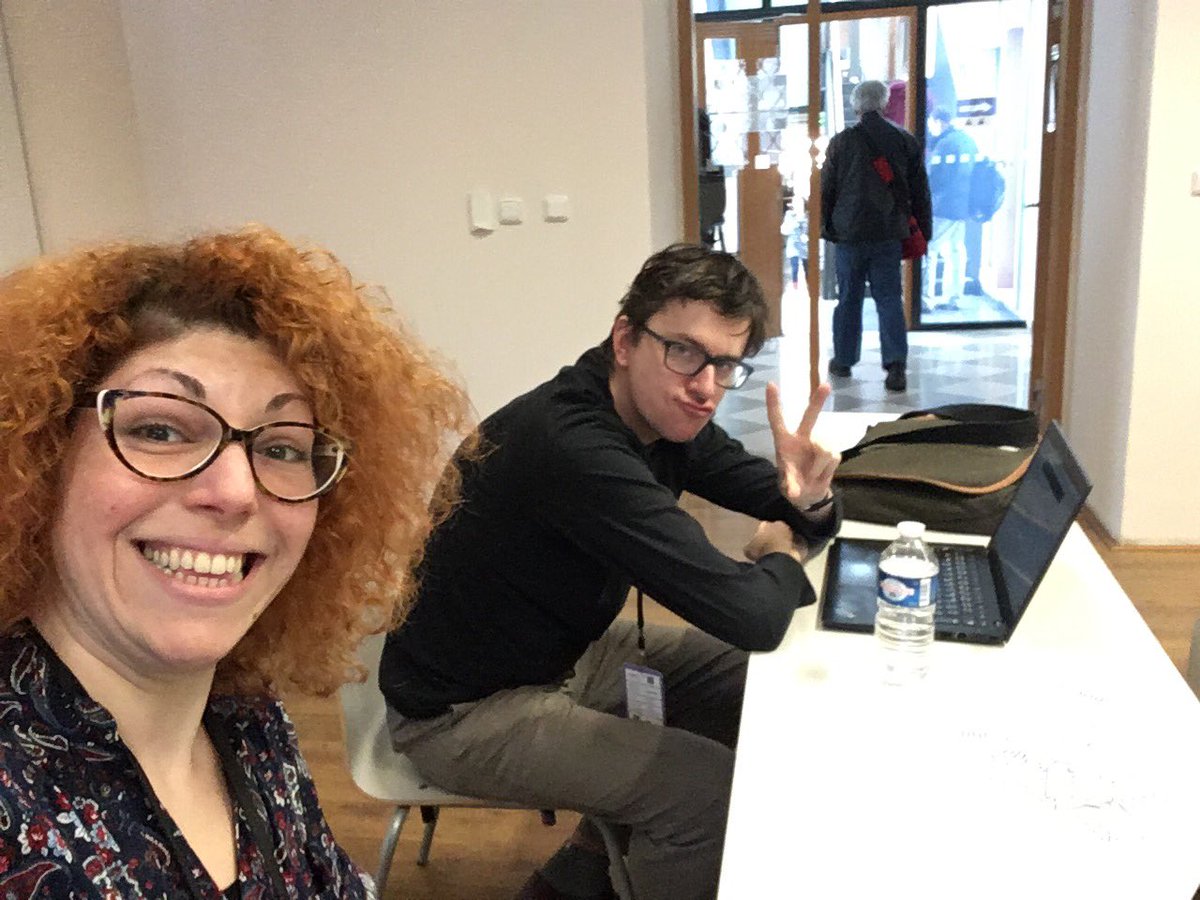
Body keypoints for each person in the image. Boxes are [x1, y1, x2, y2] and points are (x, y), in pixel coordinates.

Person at [0, 226, 470, 898]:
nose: (235, 492)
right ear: (39, 457)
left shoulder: (246, 717)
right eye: (159, 429)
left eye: (281, 448)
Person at [380, 243, 842, 900]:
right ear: (625, 339)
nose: (705, 386)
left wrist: (812, 499)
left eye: (726, 365)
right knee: (704, 794)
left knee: (763, 685)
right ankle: (621, 856)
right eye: (683, 351)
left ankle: (592, 855)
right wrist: (780, 554)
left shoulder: (664, 418)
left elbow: (791, 508)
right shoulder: (574, 447)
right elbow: (752, 614)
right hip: (465, 712)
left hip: (566, 655)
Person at [821, 79, 932, 393]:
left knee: (848, 298)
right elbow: (920, 190)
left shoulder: (841, 142)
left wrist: (828, 227)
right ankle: (895, 366)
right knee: (889, 298)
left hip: (850, 234)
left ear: (856, 106)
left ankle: (843, 360)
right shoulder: (904, 140)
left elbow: (827, 189)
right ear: (884, 104)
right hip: (888, 232)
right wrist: (923, 229)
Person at [924, 106, 978, 311]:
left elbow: (935, 177)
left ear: (939, 121)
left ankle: (926, 297)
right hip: (963, 205)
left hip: (944, 205)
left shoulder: (945, 144)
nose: (931, 128)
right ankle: (954, 296)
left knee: (930, 249)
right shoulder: (967, 141)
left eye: (931, 123)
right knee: (955, 250)